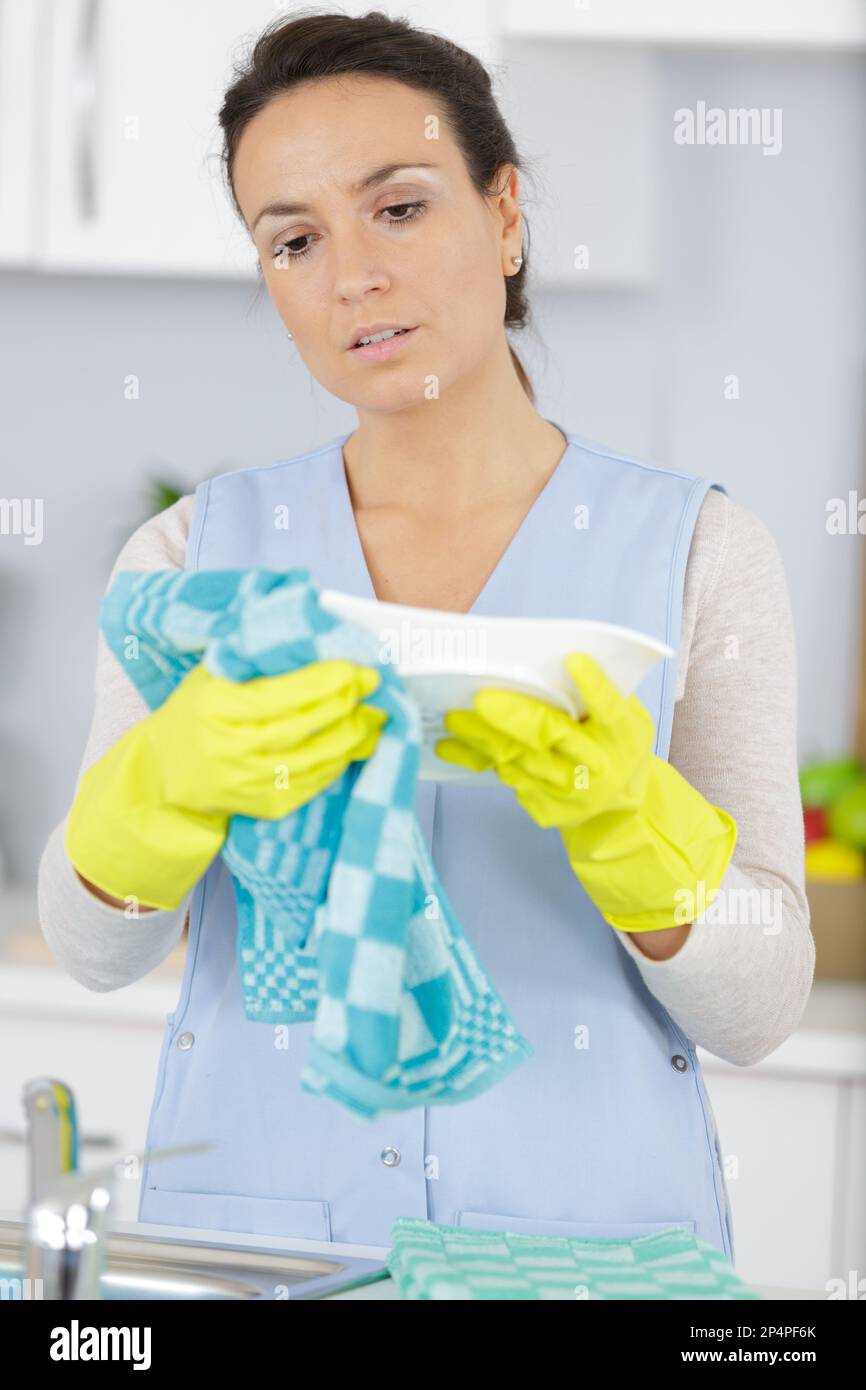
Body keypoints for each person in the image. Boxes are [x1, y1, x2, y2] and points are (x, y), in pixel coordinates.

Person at [38, 9, 812, 1256]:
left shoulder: (700, 554)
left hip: (589, 1253)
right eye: (292, 239)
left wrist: (635, 834)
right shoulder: (191, 561)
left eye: (397, 208)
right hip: (264, 1250)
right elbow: (94, 952)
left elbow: (763, 1005)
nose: (351, 275)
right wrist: (161, 796)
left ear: (503, 214)